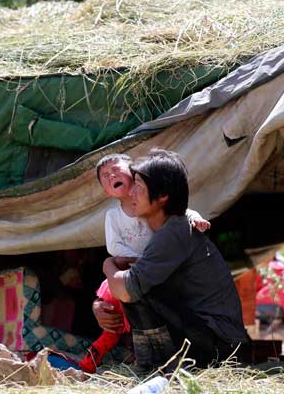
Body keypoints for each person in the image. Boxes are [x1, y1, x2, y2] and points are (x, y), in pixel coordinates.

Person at [103, 149, 248, 370]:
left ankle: (153, 365)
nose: (131, 193)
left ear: (162, 197)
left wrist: (108, 265)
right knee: (138, 281)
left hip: (219, 345)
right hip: (213, 338)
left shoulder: (173, 232)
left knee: (136, 288)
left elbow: (125, 290)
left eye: (139, 187)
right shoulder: (169, 229)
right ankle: (156, 364)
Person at [80, 153, 210, 373]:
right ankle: (89, 365)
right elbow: (114, 247)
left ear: (135, 175)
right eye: (105, 175)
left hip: (158, 274)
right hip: (133, 272)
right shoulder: (113, 216)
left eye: (116, 169)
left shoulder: (154, 201)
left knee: (152, 318)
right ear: (106, 191)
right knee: (119, 323)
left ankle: (156, 360)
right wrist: (136, 261)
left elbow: (180, 213)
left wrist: (194, 218)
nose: (111, 174)